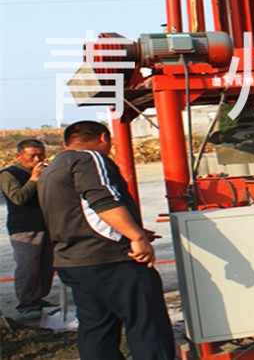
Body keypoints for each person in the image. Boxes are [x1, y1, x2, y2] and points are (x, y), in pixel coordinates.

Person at [37, 121, 174, 360]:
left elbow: (79, 213)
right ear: (103, 138)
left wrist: (128, 228)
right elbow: (103, 202)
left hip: (74, 262)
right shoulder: (89, 158)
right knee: (147, 325)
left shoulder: (52, 168)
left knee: (96, 329)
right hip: (111, 260)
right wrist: (136, 236)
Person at [0, 139, 54, 320]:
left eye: (41, 154)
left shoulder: (46, 171)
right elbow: (18, 198)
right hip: (24, 228)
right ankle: (27, 303)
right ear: (19, 156)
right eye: (32, 155)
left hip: (47, 224)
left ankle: (38, 298)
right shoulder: (9, 174)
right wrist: (34, 179)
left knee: (46, 265)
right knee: (28, 267)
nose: (37, 159)